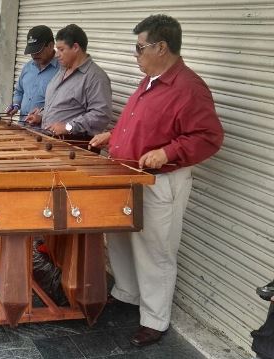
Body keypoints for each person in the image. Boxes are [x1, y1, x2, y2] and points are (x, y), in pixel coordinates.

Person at [89, 14, 224, 347]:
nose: (135, 55)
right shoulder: (148, 79)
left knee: (155, 251)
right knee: (119, 238)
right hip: (127, 176)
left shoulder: (189, 88)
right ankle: (126, 293)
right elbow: (139, 122)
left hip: (159, 183)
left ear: (161, 47)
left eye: (139, 48)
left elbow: (210, 136)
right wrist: (113, 135)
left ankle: (155, 319)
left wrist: (168, 151)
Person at [25, 24, 112, 140]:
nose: (57, 54)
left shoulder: (95, 77)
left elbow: (101, 115)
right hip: (48, 140)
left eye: (61, 50)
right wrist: (41, 116)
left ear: (75, 47)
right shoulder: (62, 70)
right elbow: (60, 105)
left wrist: (69, 127)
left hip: (73, 146)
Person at [6, 25, 59, 123]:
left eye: (38, 51)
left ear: (51, 46)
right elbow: (19, 91)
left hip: (44, 132)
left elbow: (63, 106)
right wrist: (16, 104)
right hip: (22, 126)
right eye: (32, 51)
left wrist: (42, 116)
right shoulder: (27, 67)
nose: (34, 55)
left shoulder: (62, 71)